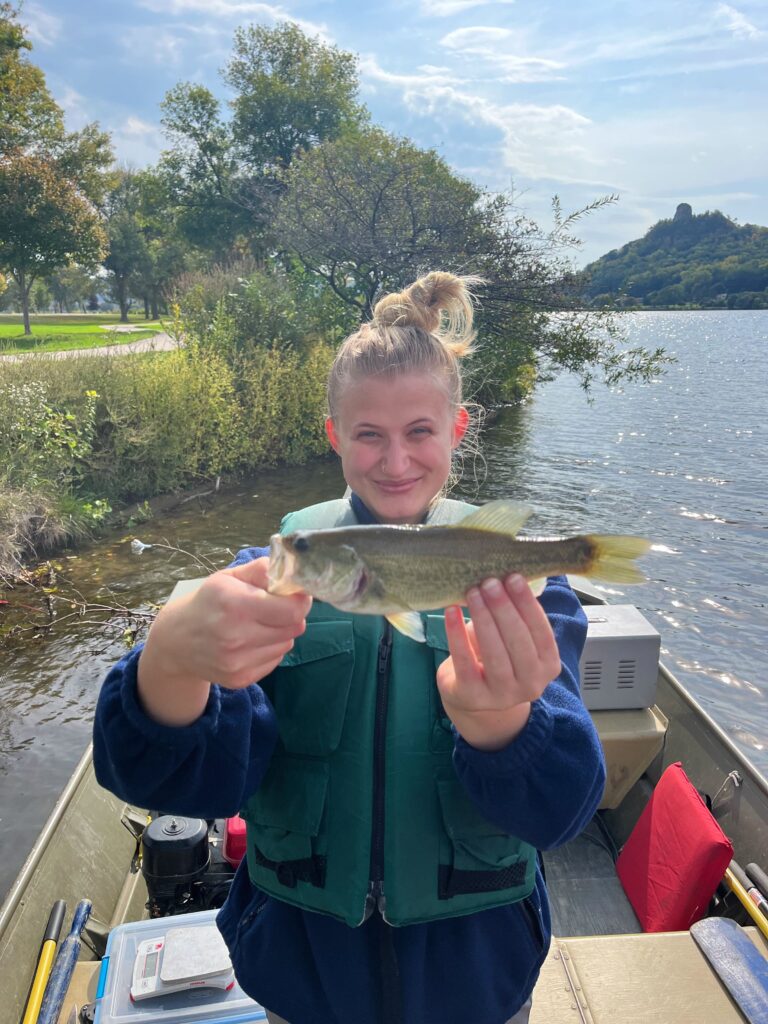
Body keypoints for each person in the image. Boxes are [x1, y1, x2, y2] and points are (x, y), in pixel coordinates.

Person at [93, 272, 606, 1024]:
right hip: (304, 976)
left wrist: (505, 725)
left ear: (458, 428)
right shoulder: (270, 579)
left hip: (474, 977)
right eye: (369, 434)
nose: (394, 461)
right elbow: (184, 787)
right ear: (335, 435)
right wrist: (166, 665)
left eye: (419, 432)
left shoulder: (528, 592)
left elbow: (565, 811)